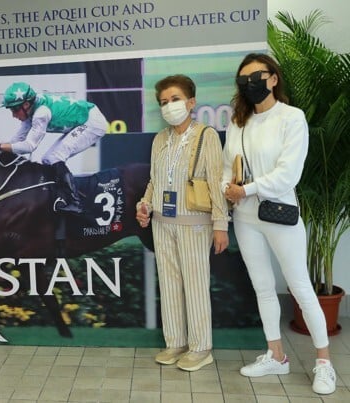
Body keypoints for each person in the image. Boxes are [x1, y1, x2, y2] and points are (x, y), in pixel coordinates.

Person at [222, 53, 336, 395]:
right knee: (262, 286)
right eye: (244, 80)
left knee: (300, 286)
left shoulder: (291, 117)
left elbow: (289, 174)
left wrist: (248, 189)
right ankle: (276, 355)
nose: (250, 84)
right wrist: (227, 188)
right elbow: (228, 165)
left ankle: (324, 363)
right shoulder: (238, 121)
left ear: (273, 79)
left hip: (280, 214)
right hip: (245, 217)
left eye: (257, 76)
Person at [136, 75, 229, 371]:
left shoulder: (207, 135)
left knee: (196, 285)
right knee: (170, 284)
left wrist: (220, 225)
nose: (169, 106)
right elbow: (154, 180)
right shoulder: (160, 139)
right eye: (164, 102)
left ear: (190, 102)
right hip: (162, 223)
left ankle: (201, 348)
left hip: (195, 224)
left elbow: (215, 182)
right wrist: (144, 205)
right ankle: (175, 342)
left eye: (174, 99)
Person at [0, 82, 108, 214]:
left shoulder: (41, 113)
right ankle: (59, 196)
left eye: (14, 110)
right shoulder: (31, 109)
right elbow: (16, 141)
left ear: (26, 105)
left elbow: (29, 146)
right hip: (82, 120)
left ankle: (75, 202)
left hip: (91, 122)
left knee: (55, 157)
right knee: (48, 159)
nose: (13, 115)